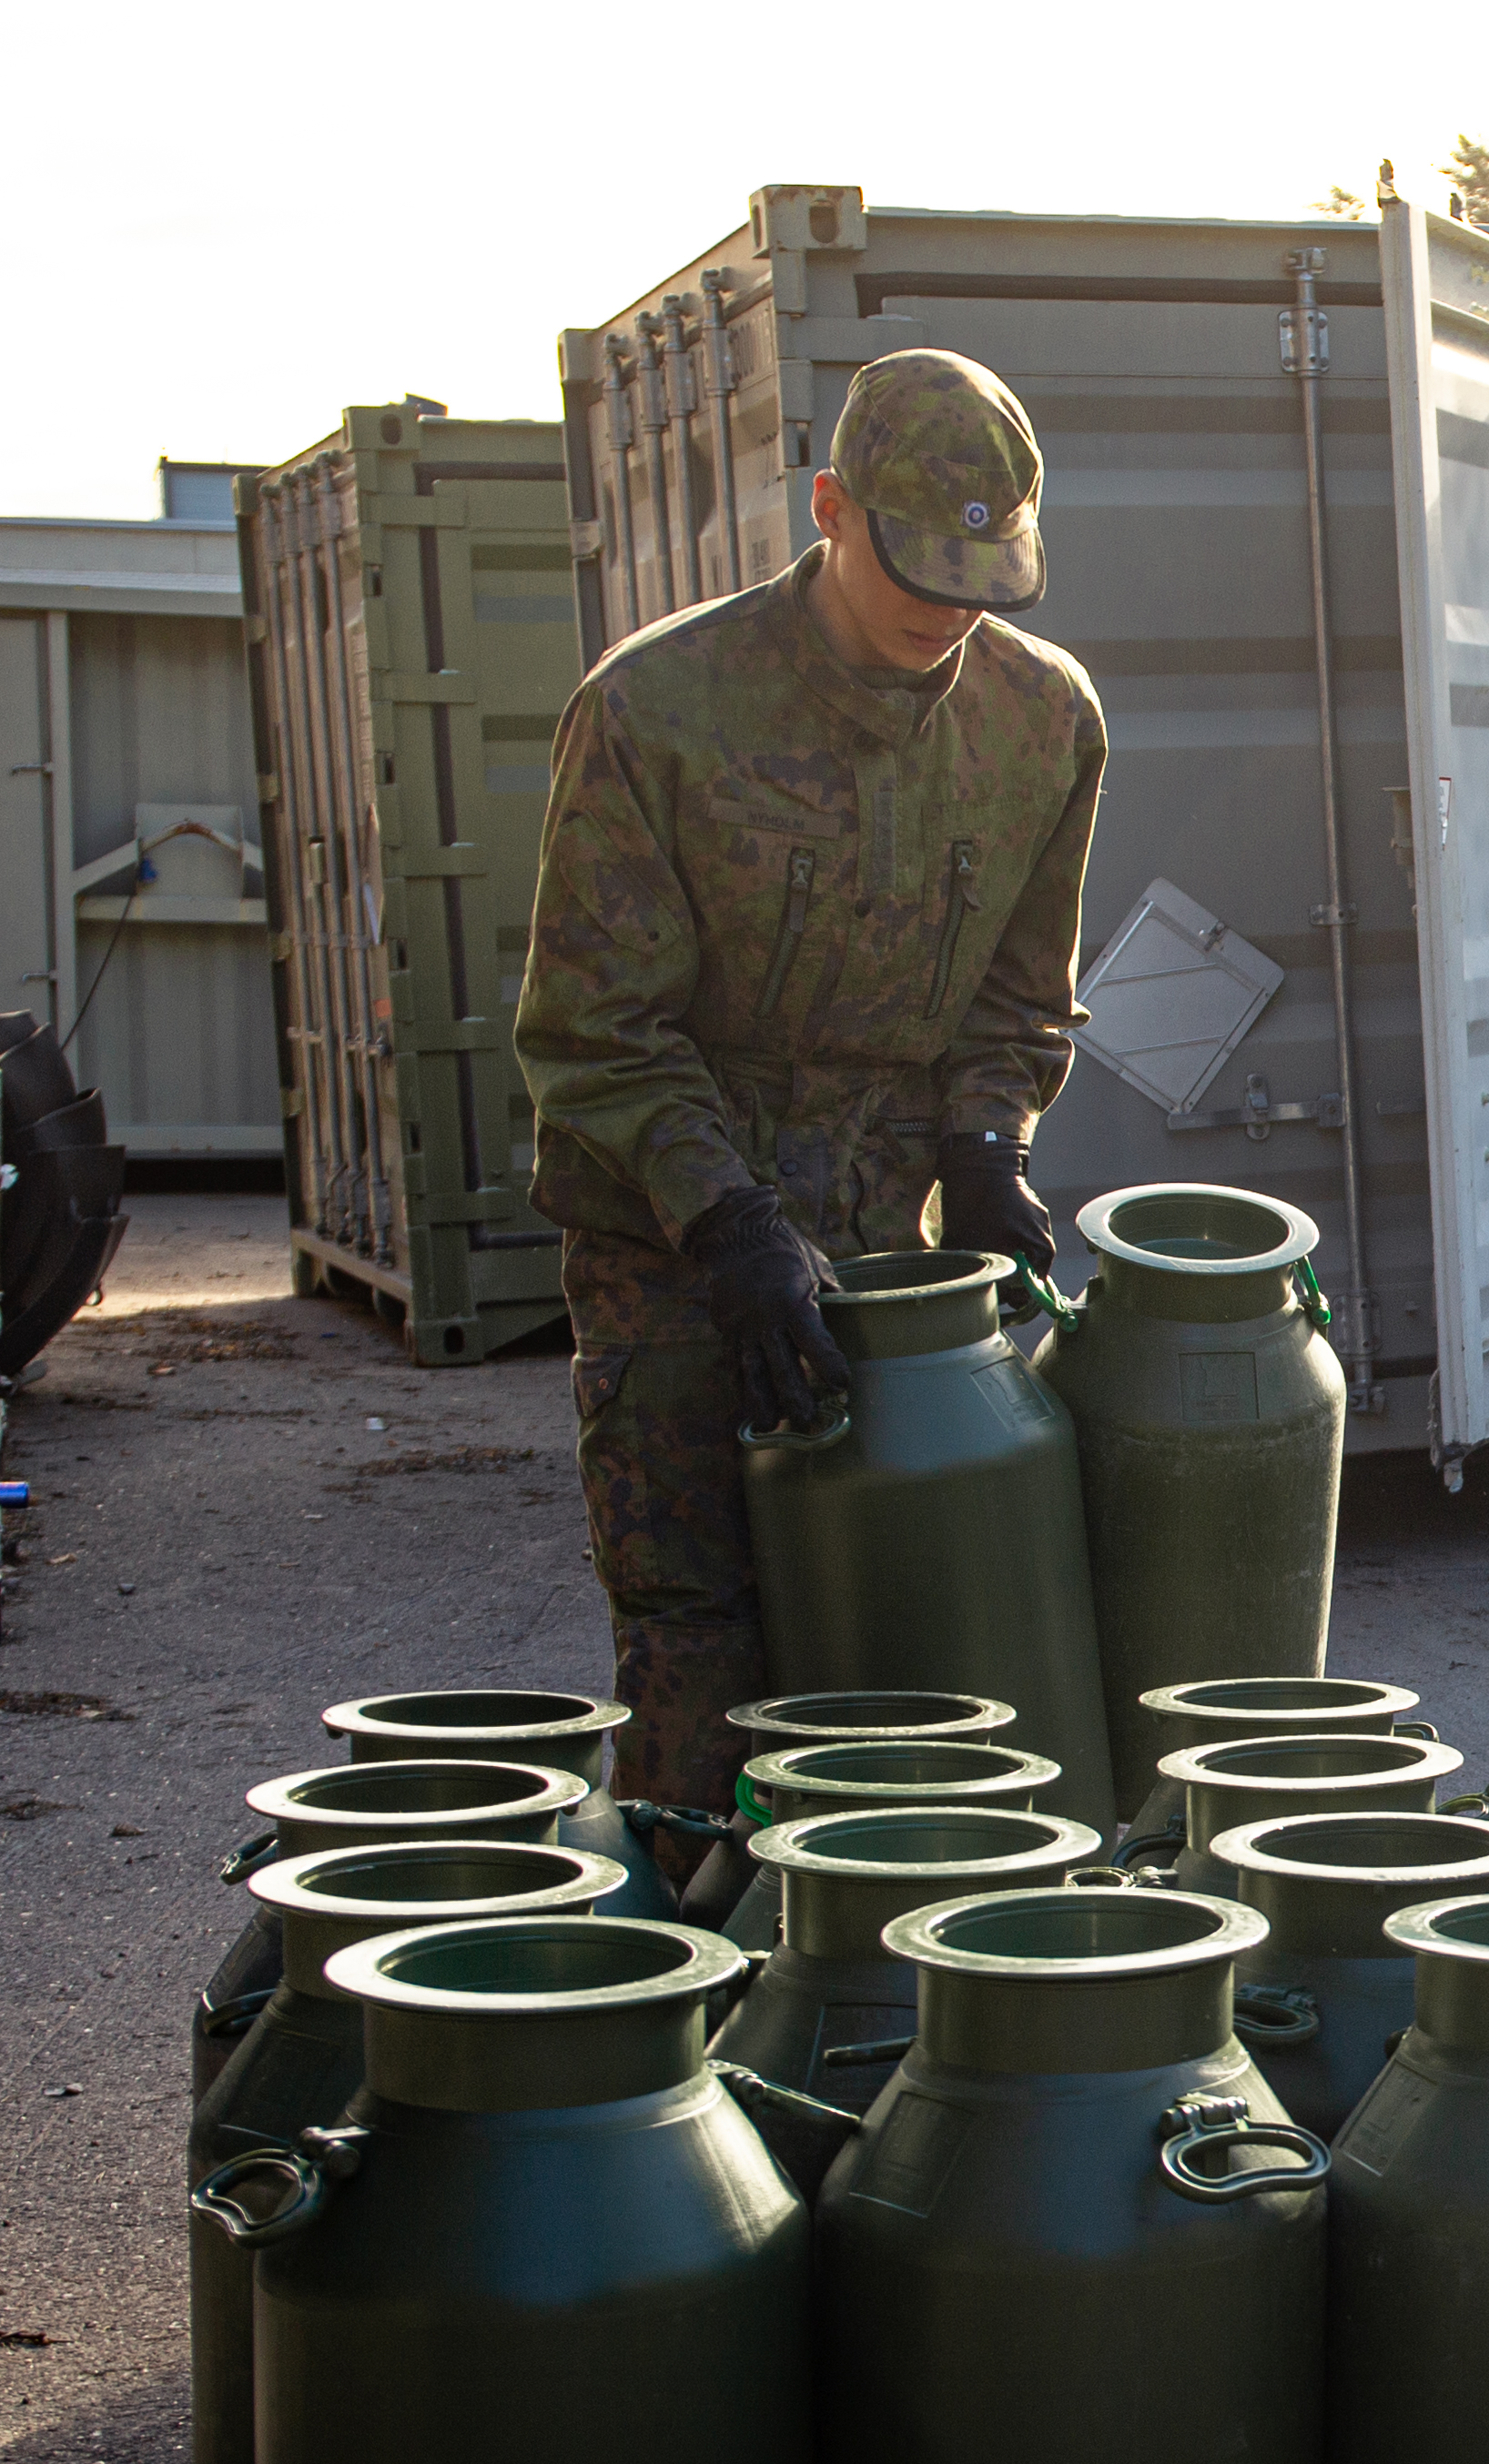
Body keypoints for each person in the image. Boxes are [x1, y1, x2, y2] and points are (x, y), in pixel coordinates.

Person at [514, 348, 1107, 1816]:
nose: (950, 611)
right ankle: (696, 1975)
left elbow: (1019, 994)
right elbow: (595, 1026)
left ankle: (876, 1983)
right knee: (698, 1624)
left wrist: (986, 1143)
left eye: (987, 577)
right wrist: (725, 1223)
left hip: (882, 1235)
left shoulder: (1045, 721)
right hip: (674, 1238)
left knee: (903, 1619)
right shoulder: (656, 710)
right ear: (830, 508)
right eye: (918, 568)